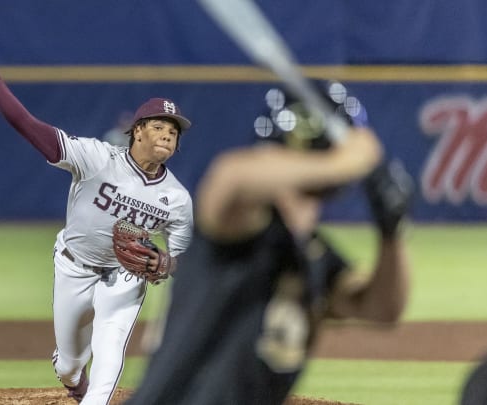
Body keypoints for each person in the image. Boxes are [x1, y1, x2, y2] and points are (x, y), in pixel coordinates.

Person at [125, 83, 414, 405]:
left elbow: (382, 309)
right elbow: (232, 177)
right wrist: (346, 161)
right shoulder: (237, 232)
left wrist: (393, 234)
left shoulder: (313, 254)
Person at [0, 44, 194, 404]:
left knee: (111, 345)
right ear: (137, 132)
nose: (167, 134)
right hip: (74, 266)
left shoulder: (177, 199)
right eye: (159, 126)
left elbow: (190, 262)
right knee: (70, 364)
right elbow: (29, 126)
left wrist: (166, 263)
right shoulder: (96, 158)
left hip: (124, 276)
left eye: (174, 131)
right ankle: (72, 377)